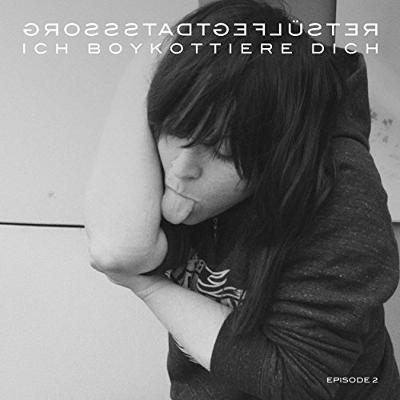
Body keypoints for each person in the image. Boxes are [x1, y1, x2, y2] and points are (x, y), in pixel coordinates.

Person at [84, 1, 400, 399]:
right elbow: (118, 248)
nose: (182, 169)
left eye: (221, 151)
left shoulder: (342, 195)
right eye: (175, 130)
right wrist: (163, 57)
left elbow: (297, 383)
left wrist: (148, 287)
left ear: (279, 151)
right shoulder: (174, 143)